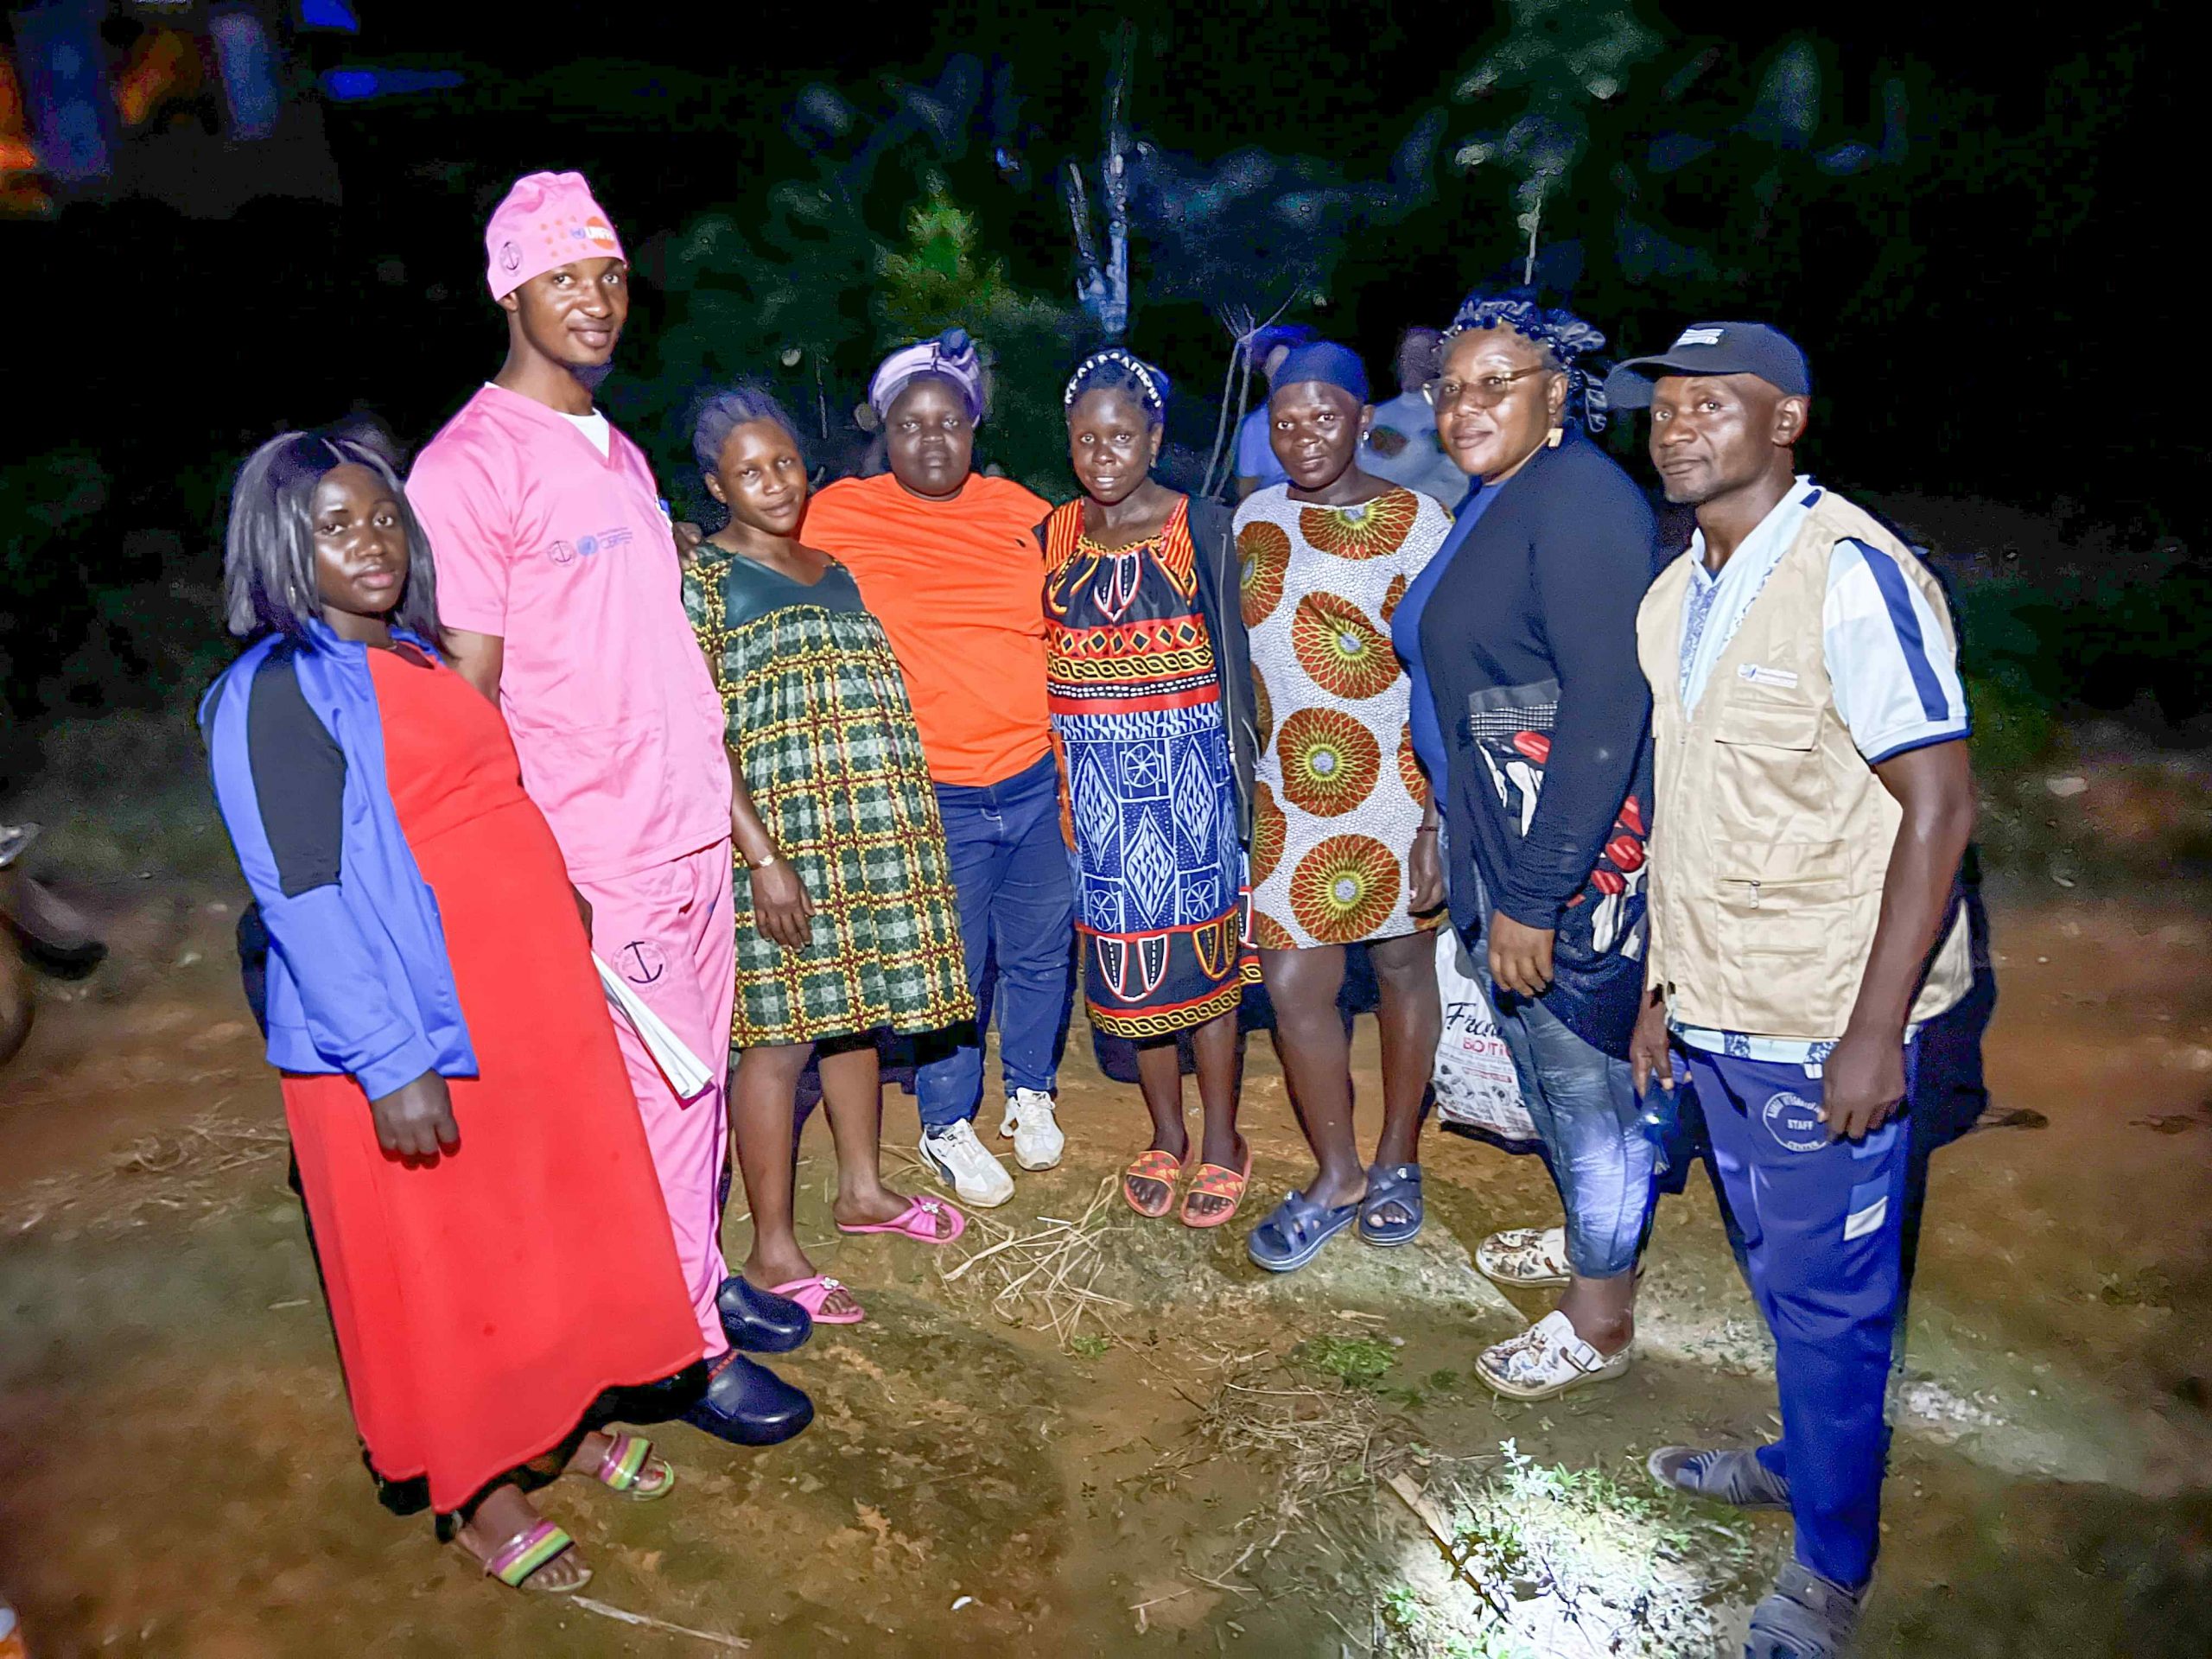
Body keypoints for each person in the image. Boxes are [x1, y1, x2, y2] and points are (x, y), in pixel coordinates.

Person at [200, 432, 715, 1592]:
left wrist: (556, 892)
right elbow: (307, 891)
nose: (371, 543)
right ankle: (481, 1487)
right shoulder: (274, 692)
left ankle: (568, 1416)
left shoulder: (420, 656)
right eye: (336, 525)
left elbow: (479, 794)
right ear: (281, 545)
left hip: (524, 999)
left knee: (543, 1226)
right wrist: (390, 1061)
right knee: (450, 1263)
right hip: (408, 1025)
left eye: (384, 517)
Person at [404, 171, 812, 1445]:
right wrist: (525, 868)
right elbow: (464, 698)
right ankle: (680, 1349)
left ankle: (690, 1276)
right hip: (599, 851)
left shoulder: (620, 451)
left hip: (686, 828)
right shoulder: (466, 468)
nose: (596, 300)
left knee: (693, 1091)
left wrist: (746, 836)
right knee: (657, 1099)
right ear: (509, 289)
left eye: (611, 275)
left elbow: (664, 662)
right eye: (565, 277)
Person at [1608, 323, 1974, 1659]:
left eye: (1716, 403)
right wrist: (1663, 987)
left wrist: (1875, 1032)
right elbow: (1692, 813)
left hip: (1826, 1019)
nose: (1680, 424)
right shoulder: (1675, 596)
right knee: (1781, 1272)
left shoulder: (1850, 575)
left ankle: (1831, 1565)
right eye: (1667, 404)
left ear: (1788, 419)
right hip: (1715, 1004)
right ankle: (1801, 1461)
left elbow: (1937, 804)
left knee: (1831, 1297)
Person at [1410, 290, 1662, 1402]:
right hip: (1493, 834)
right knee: (1544, 1070)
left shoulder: (1581, 500)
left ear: (1556, 393)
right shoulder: (1498, 494)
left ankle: (1601, 1316)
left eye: (1494, 384)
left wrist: (1538, 896)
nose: (1465, 406)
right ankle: (1588, 1238)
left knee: (1584, 1081)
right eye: (1450, 388)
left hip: (1561, 857)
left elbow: (1609, 702)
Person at [682, 386, 974, 1324]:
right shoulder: (703, 582)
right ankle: (770, 1248)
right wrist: (761, 855)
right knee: (776, 1043)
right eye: (750, 471)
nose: (775, 483)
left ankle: (862, 1191)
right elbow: (697, 730)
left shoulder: (833, 568)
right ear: (715, 484)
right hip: (774, 841)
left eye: (785, 465)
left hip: (869, 829)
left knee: (859, 1017)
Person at [804, 331, 1071, 1209]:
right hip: (933, 788)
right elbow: (757, 552)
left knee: (1037, 952)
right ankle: (945, 1119)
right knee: (952, 966)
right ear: (884, 431)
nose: (931, 441)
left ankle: (1029, 1090)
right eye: (911, 425)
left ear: (973, 426)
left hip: (1035, 775)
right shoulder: (839, 512)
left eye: (949, 422)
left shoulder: (1020, 510)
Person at [1232, 341, 1452, 1272]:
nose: (1303, 436)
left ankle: (1397, 1158)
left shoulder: (1418, 521)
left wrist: (1440, 817)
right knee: (1293, 986)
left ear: (1365, 419)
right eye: (1285, 421)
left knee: (1402, 970)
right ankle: (1338, 1173)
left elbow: (1444, 667)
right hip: (1290, 793)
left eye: (1324, 416)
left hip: (1398, 787)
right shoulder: (1251, 517)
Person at [1046, 350, 1259, 1226]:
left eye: (1122, 434)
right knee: (1134, 985)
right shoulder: (1052, 535)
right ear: (1068, 440)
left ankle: (1222, 1140)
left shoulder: (1201, 526)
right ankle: (1165, 1133)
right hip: (1095, 799)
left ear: (1154, 436)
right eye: (1088, 437)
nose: (1104, 452)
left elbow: (1241, 659)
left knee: (1204, 973)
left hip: (1192, 794)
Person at [1355, 327, 1469, 509]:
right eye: (1407, 355)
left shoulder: (1462, 406)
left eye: (1420, 355)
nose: (1412, 363)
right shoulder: (1378, 415)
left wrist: (1422, 447)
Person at [1232, 324, 1314, 499]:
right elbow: (1246, 492)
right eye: (1276, 370)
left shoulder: (1326, 412)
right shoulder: (1254, 427)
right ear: (1267, 375)